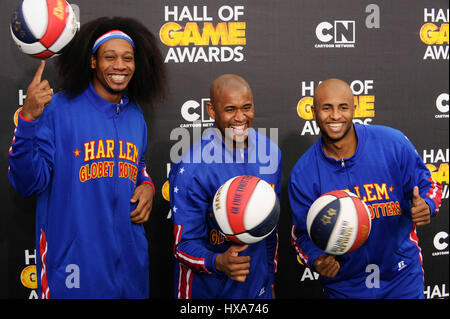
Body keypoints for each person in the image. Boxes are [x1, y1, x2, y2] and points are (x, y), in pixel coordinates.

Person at [8, 17, 167, 298]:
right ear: (93, 62)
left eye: (127, 58)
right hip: (74, 266)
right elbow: (27, 183)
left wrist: (147, 186)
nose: (120, 66)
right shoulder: (57, 110)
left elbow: (137, 166)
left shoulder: (134, 115)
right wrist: (29, 120)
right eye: (110, 57)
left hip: (130, 265)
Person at [289, 78, 442, 299]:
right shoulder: (303, 173)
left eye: (343, 107)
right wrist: (317, 259)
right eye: (326, 108)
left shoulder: (392, 143)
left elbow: (430, 185)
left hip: (401, 278)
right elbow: (301, 234)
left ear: (355, 108)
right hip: (345, 285)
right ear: (313, 112)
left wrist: (427, 204)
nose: (335, 116)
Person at [169, 74, 282, 299]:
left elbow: (271, 229)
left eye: (247, 107)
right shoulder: (193, 167)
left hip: (256, 289)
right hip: (208, 292)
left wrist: (268, 279)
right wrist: (217, 261)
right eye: (230, 109)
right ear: (212, 111)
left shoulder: (270, 153)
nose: (240, 117)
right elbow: (182, 245)